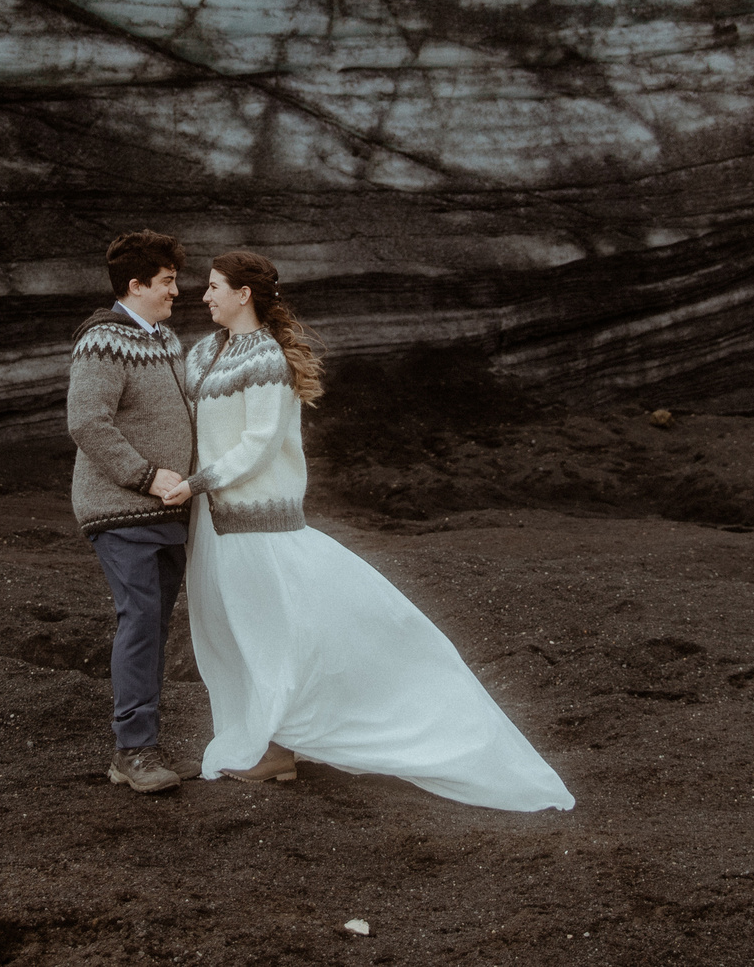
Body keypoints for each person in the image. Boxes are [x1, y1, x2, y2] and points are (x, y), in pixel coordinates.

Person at [165, 249, 575, 812]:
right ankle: (269, 743)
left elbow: (259, 444)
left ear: (244, 295)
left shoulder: (266, 360)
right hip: (213, 521)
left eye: (214, 287)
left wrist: (198, 480)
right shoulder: (203, 352)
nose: (204, 296)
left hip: (259, 524)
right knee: (232, 633)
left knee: (272, 633)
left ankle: (292, 739)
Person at [66, 228, 197, 794]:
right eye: (168, 281)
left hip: (167, 511)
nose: (177, 291)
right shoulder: (102, 341)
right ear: (137, 284)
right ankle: (134, 751)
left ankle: (140, 746)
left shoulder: (165, 340)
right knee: (141, 621)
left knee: (156, 624)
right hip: (121, 510)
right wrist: (146, 476)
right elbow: (88, 421)